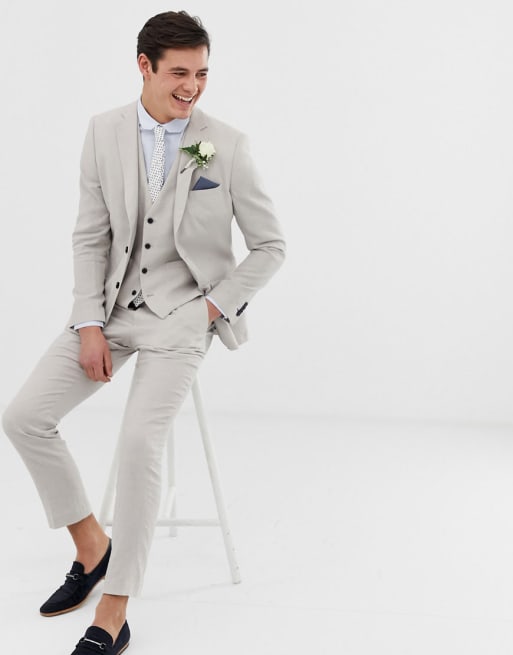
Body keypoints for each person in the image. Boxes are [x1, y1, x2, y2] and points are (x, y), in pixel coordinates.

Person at [2, 10, 285, 655]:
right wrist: (88, 323)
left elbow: (271, 245)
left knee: (136, 445)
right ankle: (91, 545)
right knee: (23, 418)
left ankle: (116, 607)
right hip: (110, 311)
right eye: (179, 73)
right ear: (144, 67)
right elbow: (90, 235)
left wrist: (210, 311)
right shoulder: (103, 131)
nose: (193, 86)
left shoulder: (225, 144)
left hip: (182, 318)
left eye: (202, 73)